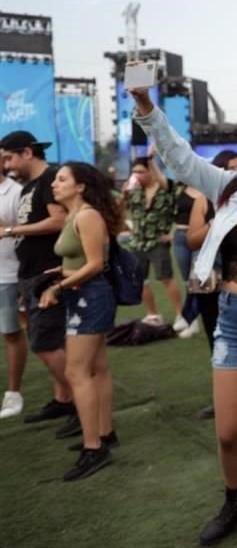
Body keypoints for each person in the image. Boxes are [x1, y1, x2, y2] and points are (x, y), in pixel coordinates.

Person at [128, 87, 237, 548]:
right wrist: (147, 109)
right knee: (229, 432)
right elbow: (179, 158)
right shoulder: (228, 187)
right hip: (231, 317)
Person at [38, 163, 120, 480]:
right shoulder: (76, 215)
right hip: (82, 294)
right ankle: (104, 433)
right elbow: (81, 262)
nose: (55, 185)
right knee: (96, 367)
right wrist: (60, 274)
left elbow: (97, 264)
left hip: (90, 296)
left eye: (61, 180)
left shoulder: (86, 215)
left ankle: (93, 448)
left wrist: (58, 284)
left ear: (81, 186)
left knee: (76, 371)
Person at [0, 131, 75, 434]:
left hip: (48, 273)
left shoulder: (50, 179)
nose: (6, 164)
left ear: (27, 153)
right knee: (49, 341)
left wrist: (12, 231)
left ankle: (82, 402)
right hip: (31, 272)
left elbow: (59, 220)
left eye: (9, 157)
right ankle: (63, 399)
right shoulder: (32, 184)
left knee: (44, 344)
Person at [186, 149, 237, 420]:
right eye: (229, 167)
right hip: (211, 280)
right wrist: (217, 221)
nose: (235, 172)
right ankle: (229, 391)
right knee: (217, 335)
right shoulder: (204, 200)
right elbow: (192, 240)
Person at [119, 151, 182, 325]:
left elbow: (182, 212)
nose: (137, 176)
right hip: (137, 241)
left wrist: (172, 234)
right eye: (135, 172)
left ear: (150, 172)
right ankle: (153, 314)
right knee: (141, 280)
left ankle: (180, 315)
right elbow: (119, 213)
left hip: (157, 241)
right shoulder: (134, 191)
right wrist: (123, 195)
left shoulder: (165, 190)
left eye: (141, 171)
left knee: (166, 278)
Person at [0, 169, 25, 419]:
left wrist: (6, 229)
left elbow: (27, 233)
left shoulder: (15, 192)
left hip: (7, 274)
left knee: (12, 333)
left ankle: (13, 393)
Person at [171, 183, 205, 338]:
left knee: (197, 281)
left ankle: (189, 317)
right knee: (186, 280)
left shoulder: (208, 187)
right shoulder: (179, 188)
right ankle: (192, 320)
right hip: (180, 236)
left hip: (202, 237)